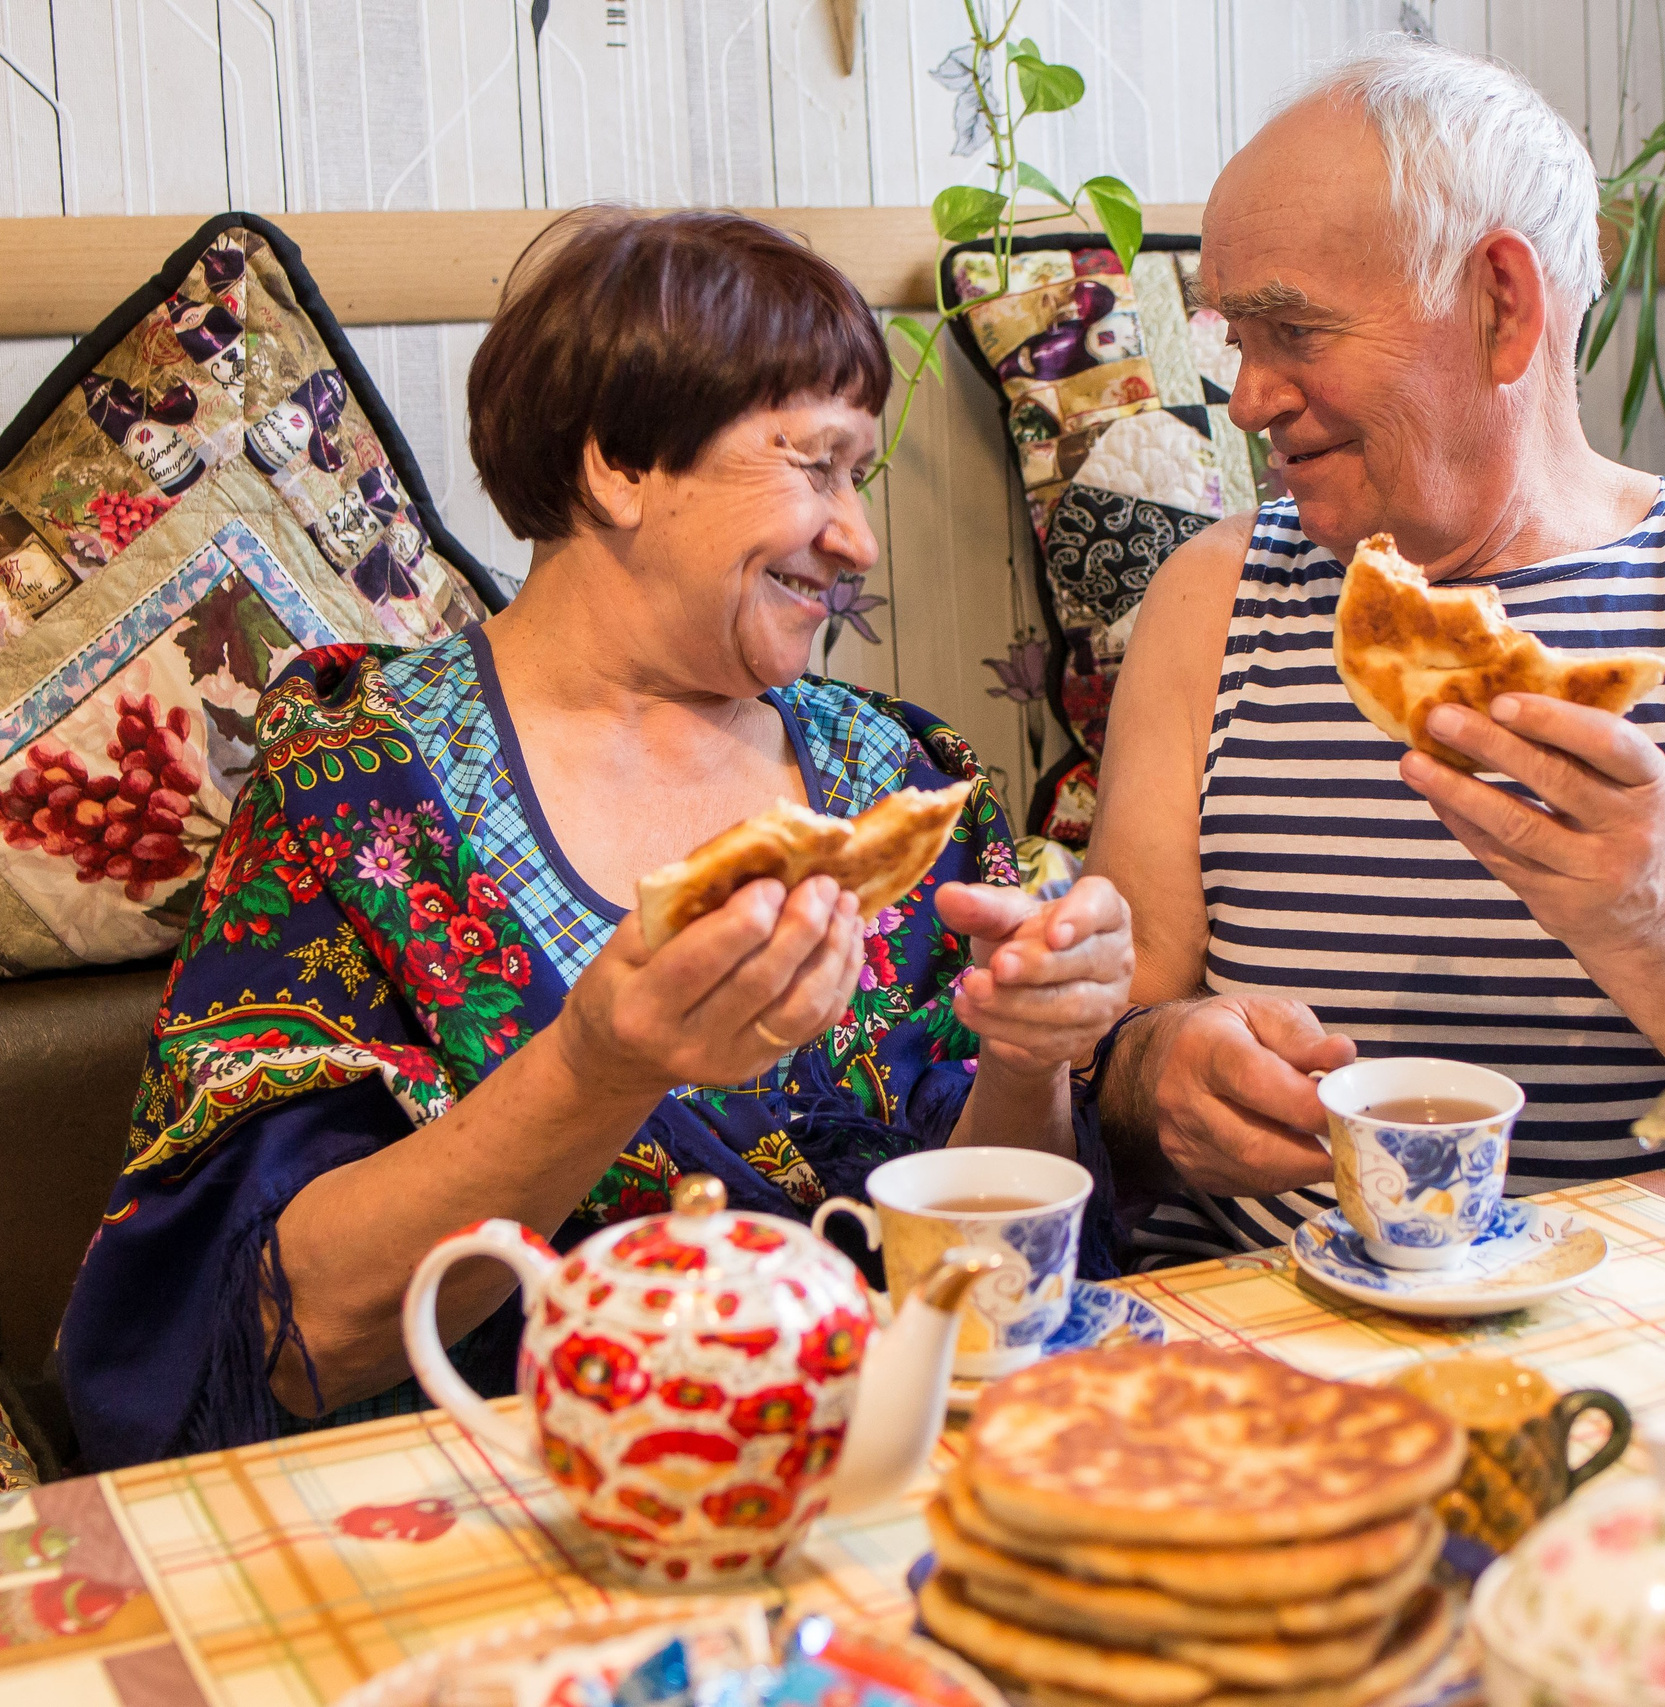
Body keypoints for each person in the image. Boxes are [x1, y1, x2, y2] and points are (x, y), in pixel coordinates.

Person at [59, 209, 1135, 1468]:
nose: (857, 540)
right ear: (621, 464)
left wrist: (1029, 1056)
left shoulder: (898, 780)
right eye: (816, 466)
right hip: (512, 1517)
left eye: (861, 477)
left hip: (905, 1486)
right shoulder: (359, 786)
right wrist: (596, 1068)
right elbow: (282, 1337)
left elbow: (994, 1287)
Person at [1083, 37, 1665, 1264]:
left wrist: (1656, 926)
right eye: (1235, 339)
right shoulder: (1215, 597)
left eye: (1293, 331)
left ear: (1501, 303)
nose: (1249, 396)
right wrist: (1155, 1083)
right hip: (1272, 1343)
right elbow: (1115, 1047)